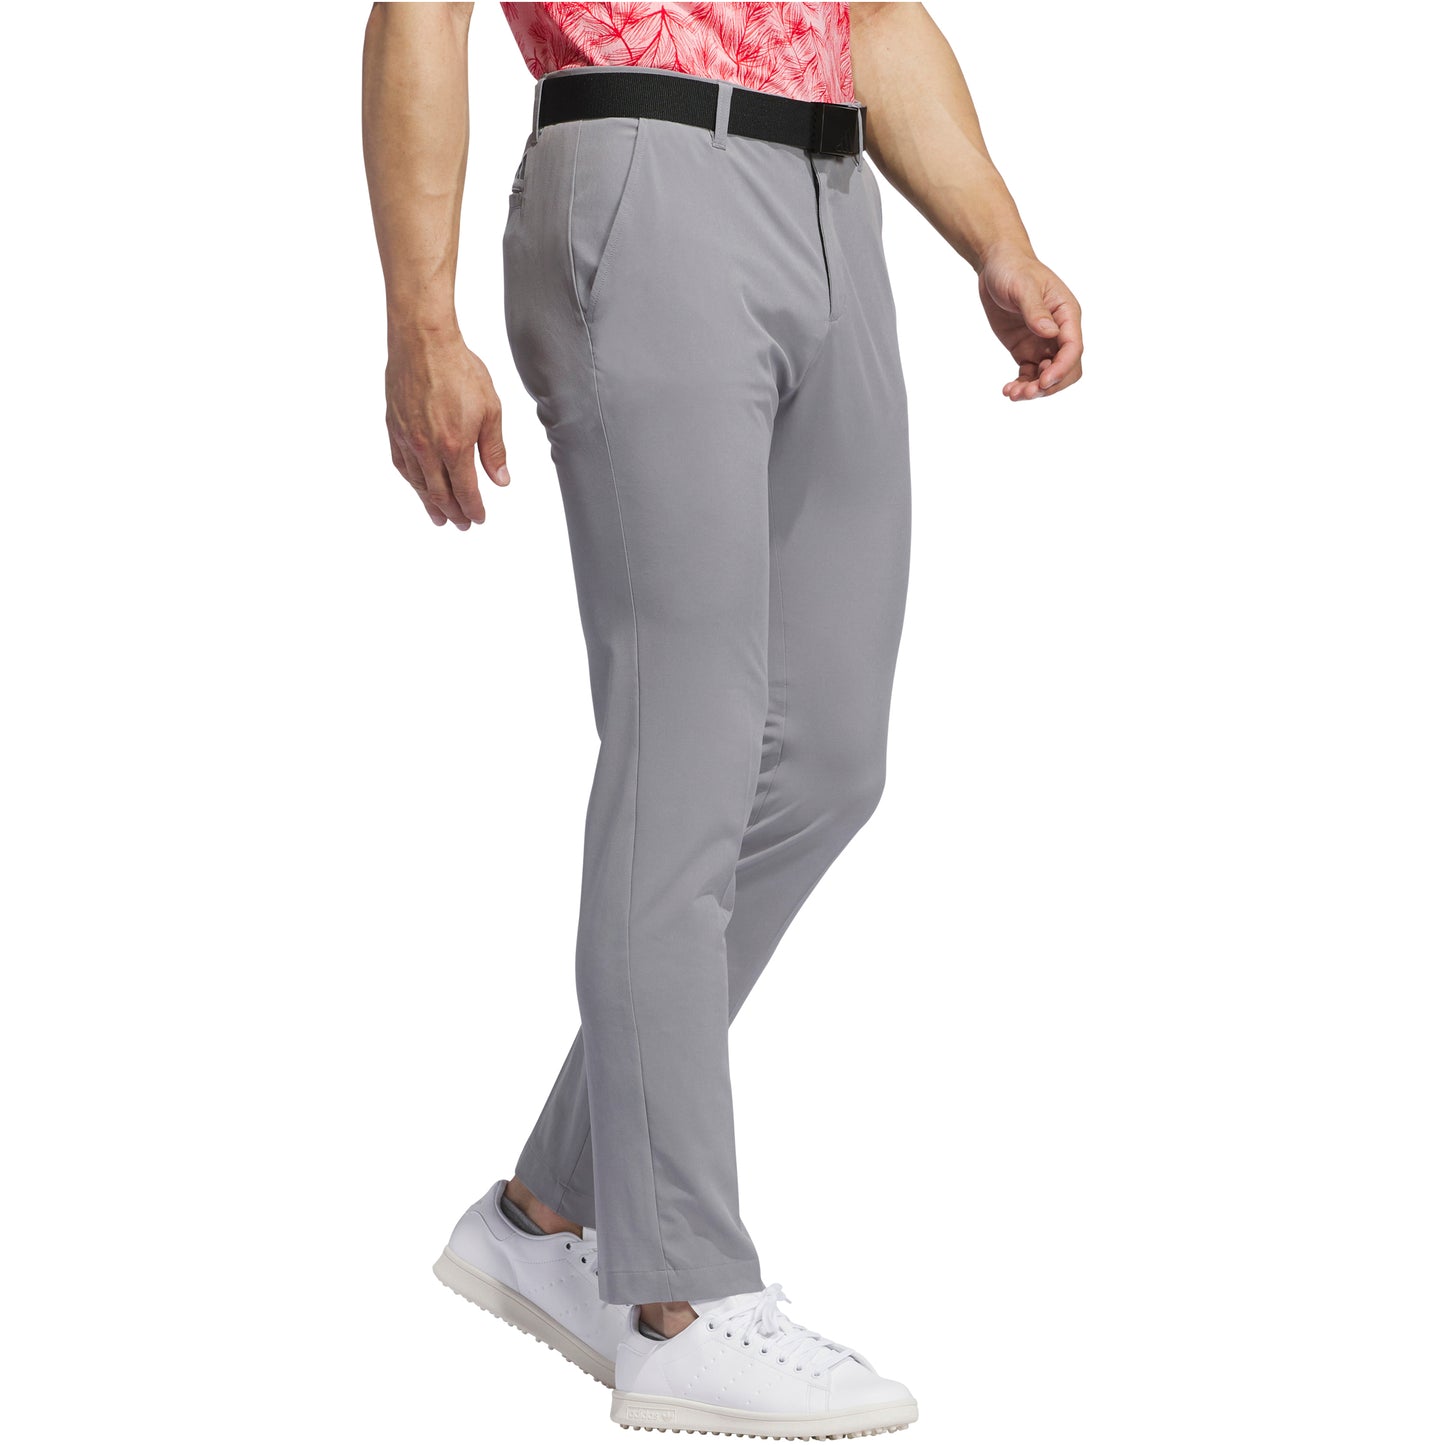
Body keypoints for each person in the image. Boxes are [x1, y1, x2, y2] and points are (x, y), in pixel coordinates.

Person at [362, 3, 1083, 1436]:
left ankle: (548, 1208)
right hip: (639, 166)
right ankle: (678, 1295)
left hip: (832, 194)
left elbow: (872, 16)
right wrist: (420, 320)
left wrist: (997, 237)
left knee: (823, 760)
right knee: (684, 749)